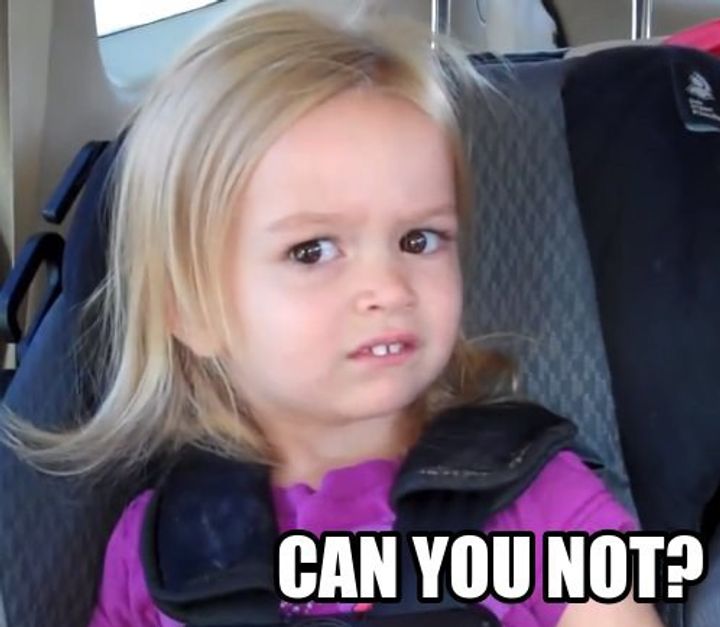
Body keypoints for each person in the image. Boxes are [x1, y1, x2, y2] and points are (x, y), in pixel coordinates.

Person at [4, 3, 664, 626]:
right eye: (312, 250)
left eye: (419, 240)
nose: (387, 287)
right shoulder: (162, 548)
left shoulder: (538, 503)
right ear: (196, 309)